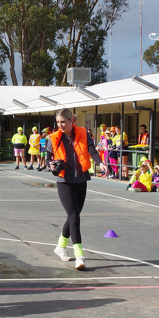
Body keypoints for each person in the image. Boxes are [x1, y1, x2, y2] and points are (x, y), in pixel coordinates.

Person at [48, 108, 106, 270]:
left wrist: (100, 162)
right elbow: (48, 160)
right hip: (64, 180)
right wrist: (51, 165)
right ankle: (79, 256)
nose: (60, 125)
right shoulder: (53, 138)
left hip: (81, 179)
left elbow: (92, 150)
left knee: (73, 216)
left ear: (71, 120)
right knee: (74, 216)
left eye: (63, 122)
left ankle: (60, 246)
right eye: (58, 122)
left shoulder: (83, 133)